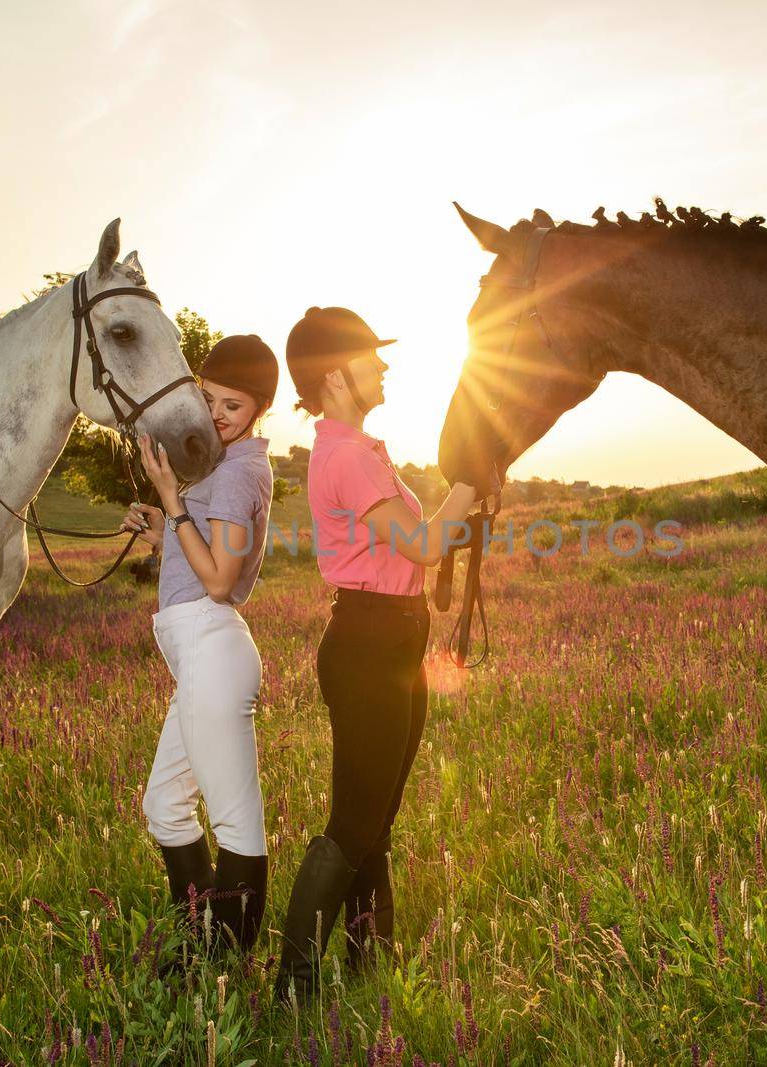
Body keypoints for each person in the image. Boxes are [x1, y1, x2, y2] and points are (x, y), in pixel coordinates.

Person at [274, 306, 484, 999]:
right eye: (371, 356)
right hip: (368, 644)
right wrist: (468, 483)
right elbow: (422, 544)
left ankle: (368, 969)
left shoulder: (356, 452)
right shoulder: (346, 457)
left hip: (392, 638)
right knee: (357, 819)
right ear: (335, 375)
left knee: (378, 815)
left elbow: (421, 544)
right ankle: (296, 982)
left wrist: (463, 505)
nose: (384, 365)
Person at [122, 334, 278, 956]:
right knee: (164, 805)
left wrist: (169, 497)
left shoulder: (242, 471)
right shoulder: (220, 462)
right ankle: (200, 946)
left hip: (214, 648)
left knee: (237, 825)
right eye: (207, 398)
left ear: (259, 410)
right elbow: (198, 551)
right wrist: (163, 526)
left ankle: (225, 974)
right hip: (195, 654)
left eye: (232, 406)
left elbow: (218, 579)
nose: (216, 414)